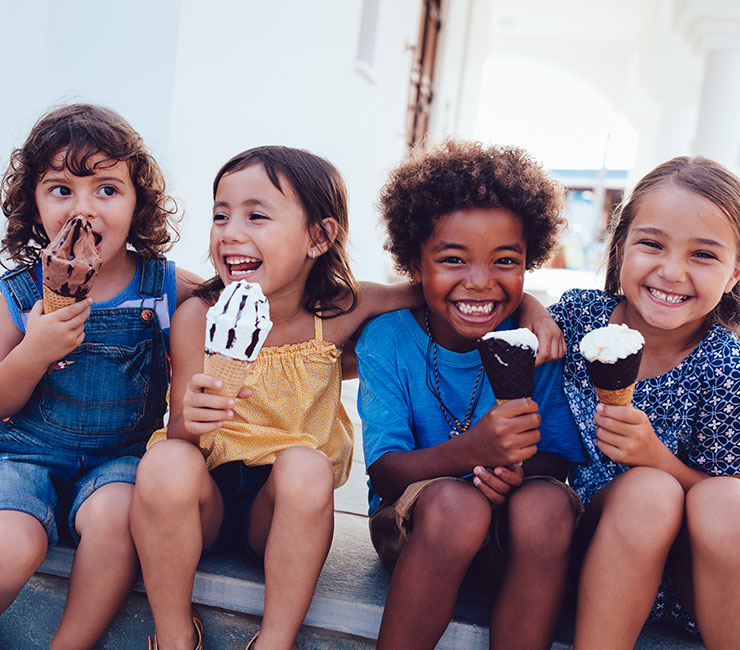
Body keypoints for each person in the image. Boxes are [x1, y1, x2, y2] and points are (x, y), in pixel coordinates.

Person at [356, 139, 586, 650]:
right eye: (453, 259)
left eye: (505, 260)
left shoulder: (539, 344)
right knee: (457, 507)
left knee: (548, 508)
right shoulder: (389, 339)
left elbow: (556, 461)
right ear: (416, 265)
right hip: (420, 526)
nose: (480, 282)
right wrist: (473, 452)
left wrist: (514, 473)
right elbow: (386, 472)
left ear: (530, 263)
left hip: (512, 534)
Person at [0, 103, 199, 650]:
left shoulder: (164, 286)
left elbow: (245, 312)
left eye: (107, 190)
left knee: (115, 522)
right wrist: (32, 352)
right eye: (60, 189)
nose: (82, 209)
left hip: (119, 462)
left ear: (138, 204)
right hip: (21, 455)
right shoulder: (16, 294)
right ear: (32, 203)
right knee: (10, 546)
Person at [548, 156, 740, 650]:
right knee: (648, 495)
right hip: (588, 550)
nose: (672, 271)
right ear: (620, 246)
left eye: (703, 255)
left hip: (694, 582)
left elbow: (726, 509)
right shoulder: (577, 320)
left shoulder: (727, 366)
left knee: (724, 498)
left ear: (735, 273)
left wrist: (656, 458)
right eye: (652, 244)